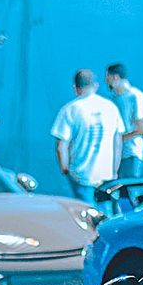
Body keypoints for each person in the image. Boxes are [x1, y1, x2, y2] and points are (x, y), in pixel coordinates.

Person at [50, 69, 124, 204]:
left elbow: (61, 146)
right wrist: (114, 170)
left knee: (84, 212)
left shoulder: (70, 109)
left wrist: (65, 169)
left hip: (81, 175)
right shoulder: (110, 107)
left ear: (76, 88)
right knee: (107, 212)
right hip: (106, 175)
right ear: (96, 86)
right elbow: (118, 142)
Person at [104, 63, 143, 190]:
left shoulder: (136, 96)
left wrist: (120, 139)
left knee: (129, 191)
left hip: (131, 153)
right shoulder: (113, 100)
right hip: (115, 156)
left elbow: (142, 128)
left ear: (116, 77)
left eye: (108, 78)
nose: (106, 82)